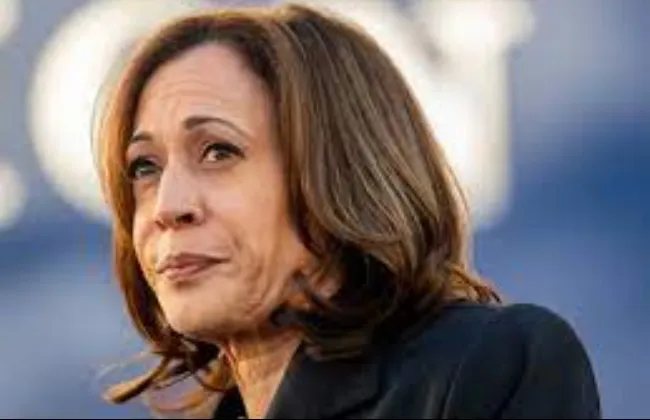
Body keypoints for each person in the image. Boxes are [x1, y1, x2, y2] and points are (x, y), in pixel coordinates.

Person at [95, 3, 601, 419]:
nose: (167, 207)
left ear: (341, 170)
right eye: (145, 167)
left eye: (218, 152)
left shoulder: (489, 366)